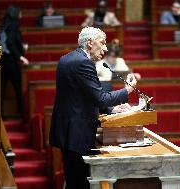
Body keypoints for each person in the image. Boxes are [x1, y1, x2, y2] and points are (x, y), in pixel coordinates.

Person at [49, 27, 137, 189]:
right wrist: (127, 90)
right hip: (77, 133)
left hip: (67, 131)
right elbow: (99, 98)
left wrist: (112, 110)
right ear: (90, 43)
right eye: (102, 43)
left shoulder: (67, 58)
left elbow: (82, 97)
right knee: (79, 183)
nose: (105, 48)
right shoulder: (83, 62)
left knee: (73, 180)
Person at [0, 5, 29, 118]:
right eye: (20, 12)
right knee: (18, 88)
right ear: (15, 14)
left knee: (1, 90)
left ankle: (0, 115)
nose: (21, 14)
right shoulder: (14, 25)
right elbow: (11, 42)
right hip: (11, 61)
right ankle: (22, 115)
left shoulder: (4, 24)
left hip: (2, 60)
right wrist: (20, 57)